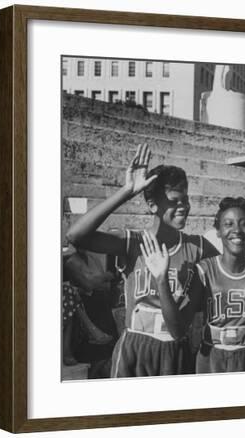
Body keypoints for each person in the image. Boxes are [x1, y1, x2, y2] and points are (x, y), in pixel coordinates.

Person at [66, 144, 217, 377]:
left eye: (185, 200)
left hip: (173, 350)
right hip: (133, 349)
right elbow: (76, 236)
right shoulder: (133, 242)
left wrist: (162, 280)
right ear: (152, 205)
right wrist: (127, 191)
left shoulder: (197, 247)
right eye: (175, 200)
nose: (184, 207)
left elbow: (179, 330)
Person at [185, 197, 245, 373]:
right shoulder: (204, 270)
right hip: (211, 355)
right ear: (218, 230)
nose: (237, 230)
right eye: (228, 224)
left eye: (244, 223)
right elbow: (187, 322)